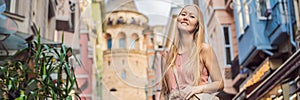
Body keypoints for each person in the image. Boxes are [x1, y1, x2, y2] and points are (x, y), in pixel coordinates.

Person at [160, 5, 224, 100]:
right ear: (178, 19)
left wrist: (196, 89)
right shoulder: (166, 56)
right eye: (183, 14)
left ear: (197, 25)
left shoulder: (203, 50)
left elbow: (219, 83)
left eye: (192, 16)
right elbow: (165, 91)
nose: (185, 18)